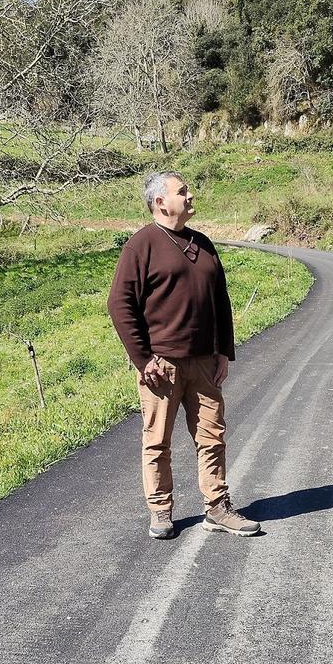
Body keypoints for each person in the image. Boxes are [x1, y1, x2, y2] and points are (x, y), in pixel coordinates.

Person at [107, 171, 260, 540]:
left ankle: (217, 507)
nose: (190, 196)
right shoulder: (141, 245)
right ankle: (160, 511)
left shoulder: (203, 243)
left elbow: (220, 302)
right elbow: (119, 304)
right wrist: (144, 360)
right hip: (162, 367)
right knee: (157, 440)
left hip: (205, 363)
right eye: (182, 191)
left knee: (212, 437)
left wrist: (224, 350)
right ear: (160, 202)